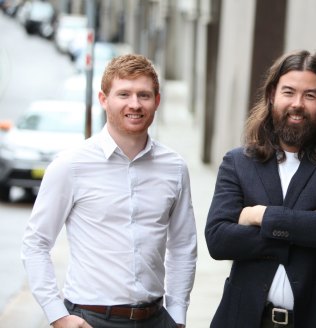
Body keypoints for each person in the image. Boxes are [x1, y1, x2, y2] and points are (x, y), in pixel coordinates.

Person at [21, 54, 197, 328]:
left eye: (144, 95)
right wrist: (57, 315)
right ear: (104, 100)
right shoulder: (70, 165)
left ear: (157, 101)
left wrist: (177, 316)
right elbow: (36, 243)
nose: (135, 104)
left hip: (156, 319)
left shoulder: (174, 168)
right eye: (124, 94)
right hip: (90, 320)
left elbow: (183, 245)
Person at [205, 50, 316, 328]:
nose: (297, 104)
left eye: (310, 95)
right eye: (289, 92)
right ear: (272, 95)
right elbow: (218, 240)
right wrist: (307, 229)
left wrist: (259, 216)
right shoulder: (238, 162)